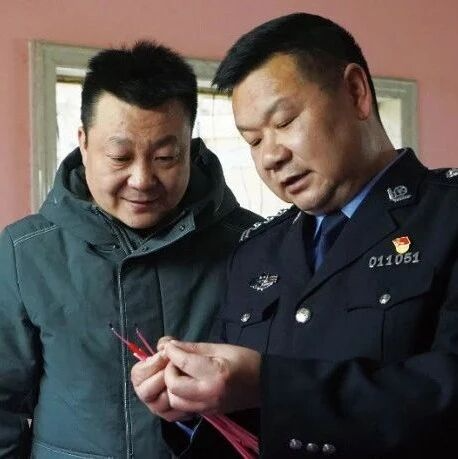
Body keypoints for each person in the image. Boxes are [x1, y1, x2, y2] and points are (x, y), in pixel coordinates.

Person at [131, 13, 458, 459]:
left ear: (356, 92)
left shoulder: (446, 216)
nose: (271, 156)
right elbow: (241, 414)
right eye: (253, 140)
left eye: (284, 122)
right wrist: (192, 406)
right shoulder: (256, 251)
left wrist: (268, 385)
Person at [0, 41, 260, 458]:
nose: (142, 180)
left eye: (165, 157)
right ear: (84, 143)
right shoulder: (24, 252)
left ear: (191, 148)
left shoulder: (253, 243)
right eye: (120, 156)